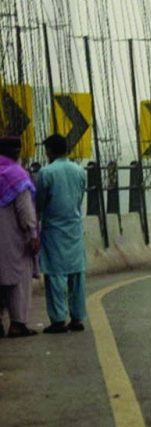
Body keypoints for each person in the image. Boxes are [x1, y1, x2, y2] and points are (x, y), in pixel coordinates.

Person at [35, 134, 88, 334]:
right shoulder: (79, 171)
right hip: (73, 226)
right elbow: (80, 196)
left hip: (53, 228)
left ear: (49, 151)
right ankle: (77, 318)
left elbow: (39, 202)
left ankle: (58, 319)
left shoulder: (46, 173)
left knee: (55, 274)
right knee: (77, 273)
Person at [0, 137, 39, 338]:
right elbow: (25, 209)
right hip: (12, 237)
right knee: (17, 279)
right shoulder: (16, 174)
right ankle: (17, 323)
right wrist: (32, 233)